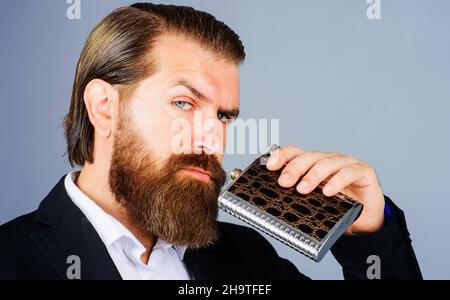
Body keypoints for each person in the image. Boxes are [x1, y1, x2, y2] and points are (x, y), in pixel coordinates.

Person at [0, 3, 421, 280]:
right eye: (183, 103)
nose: (210, 137)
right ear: (104, 107)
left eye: (223, 116)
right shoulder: (11, 260)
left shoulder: (245, 260)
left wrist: (370, 232)